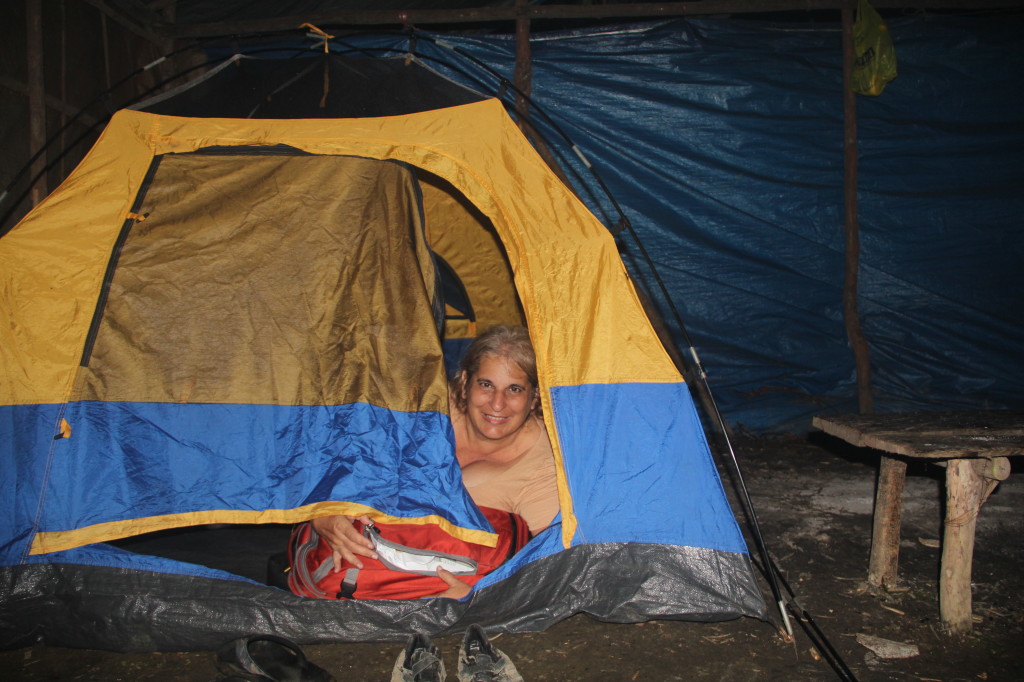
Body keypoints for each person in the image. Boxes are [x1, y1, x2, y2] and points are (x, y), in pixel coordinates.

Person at [311, 325, 558, 598]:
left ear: (534, 397)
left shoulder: (542, 465)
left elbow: (551, 562)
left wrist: (480, 595)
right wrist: (323, 512)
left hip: (440, 584)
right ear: (464, 383)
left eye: (514, 389)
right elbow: (341, 455)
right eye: (486, 385)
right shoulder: (427, 409)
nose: (497, 404)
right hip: (362, 566)